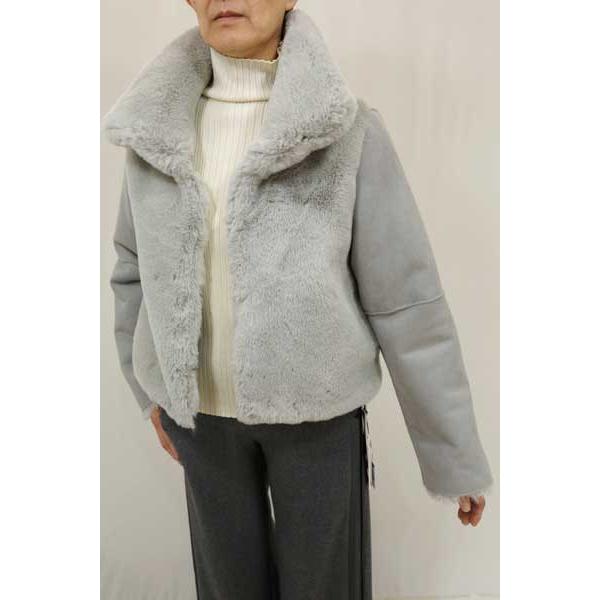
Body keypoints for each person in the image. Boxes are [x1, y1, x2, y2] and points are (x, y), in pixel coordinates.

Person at [102, 1, 494, 598]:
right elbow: (132, 270)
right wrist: (149, 390)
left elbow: (407, 303)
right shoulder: (156, 133)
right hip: (202, 424)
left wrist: (453, 457)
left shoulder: (347, 131)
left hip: (318, 423)